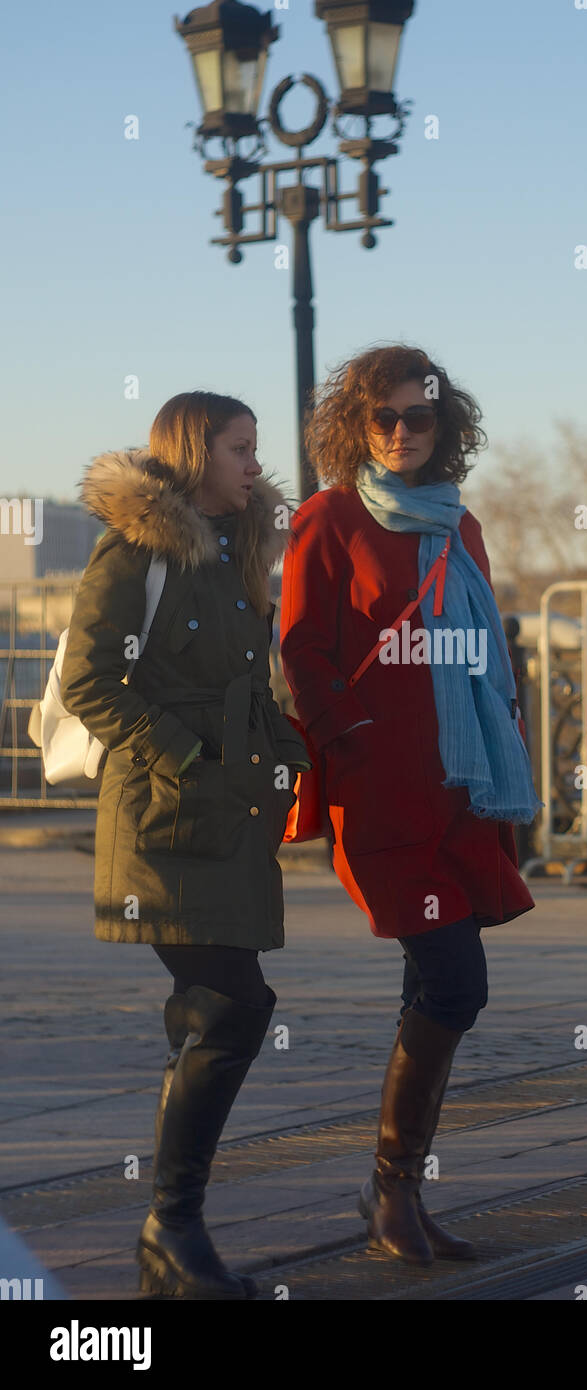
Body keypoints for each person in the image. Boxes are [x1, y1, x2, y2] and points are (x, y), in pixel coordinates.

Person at [280, 344, 542, 1265]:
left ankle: (398, 1196)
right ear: (355, 426)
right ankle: (390, 1189)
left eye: (417, 417)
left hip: (462, 789)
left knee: (428, 989)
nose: (400, 433)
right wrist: (349, 737)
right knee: (456, 983)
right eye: (382, 418)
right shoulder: (328, 518)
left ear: (444, 425)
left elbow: (482, 652)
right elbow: (302, 648)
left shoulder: (458, 526)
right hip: (384, 791)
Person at [60, 390, 311, 1299]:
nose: (254, 462)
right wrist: (189, 757)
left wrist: (287, 754)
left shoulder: (241, 554)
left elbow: (252, 686)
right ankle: (172, 1226)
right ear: (195, 453)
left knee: (214, 1009)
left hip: (230, 820)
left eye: (254, 448)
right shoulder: (138, 551)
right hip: (162, 822)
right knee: (232, 1004)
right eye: (240, 448)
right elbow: (92, 682)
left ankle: (171, 1237)